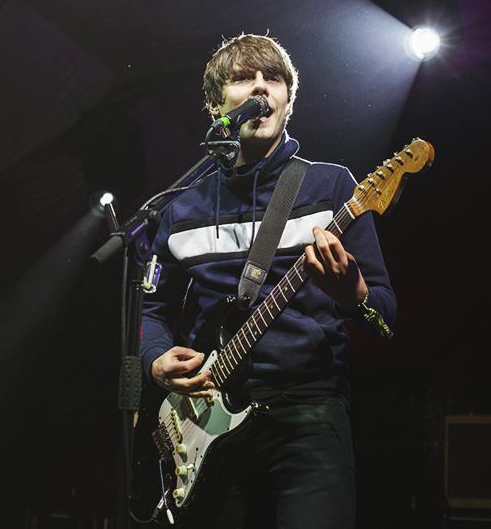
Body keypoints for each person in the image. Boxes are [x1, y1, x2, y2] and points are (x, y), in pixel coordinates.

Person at [140, 34, 396, 528]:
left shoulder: (332, 187)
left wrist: (353, 294)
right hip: (206, 423)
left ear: (287, 102)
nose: (261, 89)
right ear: (217, 105)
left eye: (272, 79)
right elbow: (152, 309)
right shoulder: (179, 208)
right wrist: (155, 361)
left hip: (308, 418)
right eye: (243, 79)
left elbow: (384, 314)